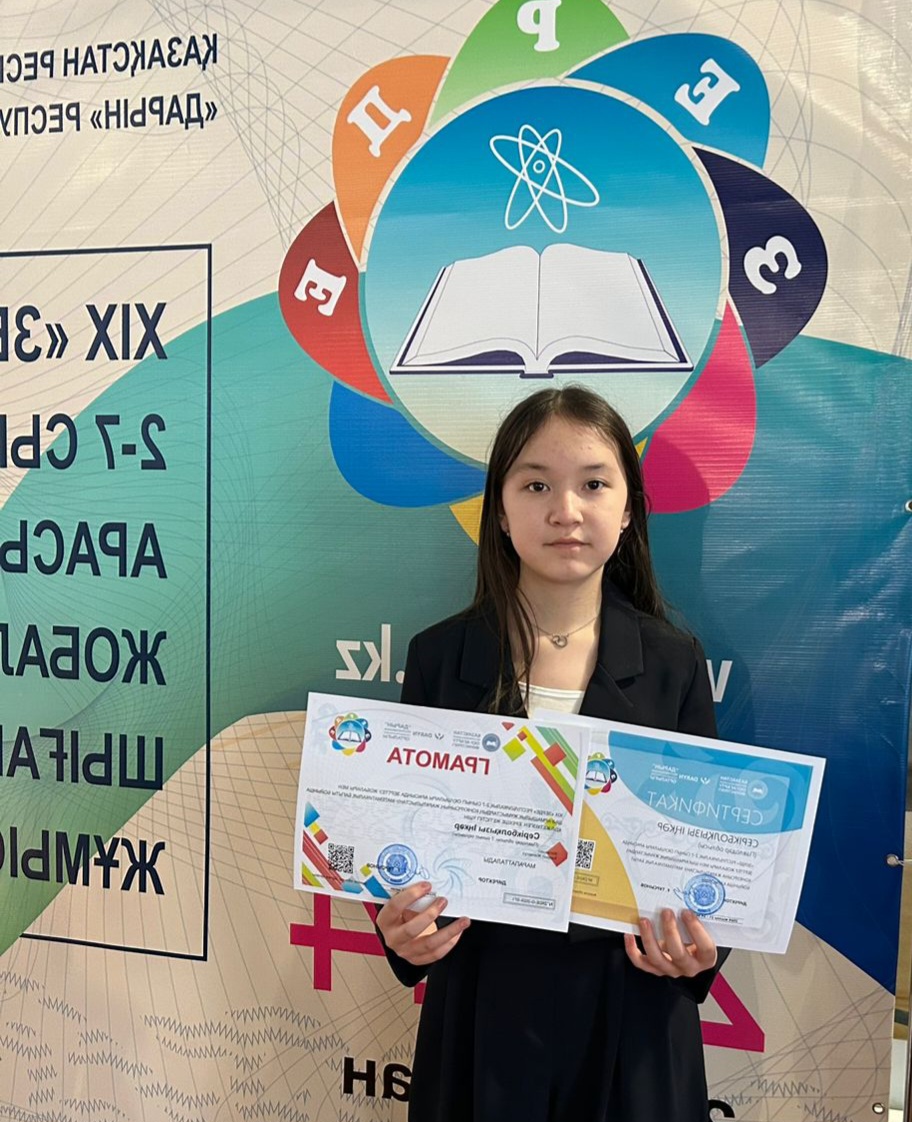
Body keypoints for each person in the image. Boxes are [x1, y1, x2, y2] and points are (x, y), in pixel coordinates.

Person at [376, 386, 727, 1122]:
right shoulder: (439, 657)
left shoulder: (674, 664)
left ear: (628, 510)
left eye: (594, 484)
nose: (566, 510)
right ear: (500, 512)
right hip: (482, 1012)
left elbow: (706, 859)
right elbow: (402, 843)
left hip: (633, 1015)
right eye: (536, 485)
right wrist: (402, 929)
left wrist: (701, 952)